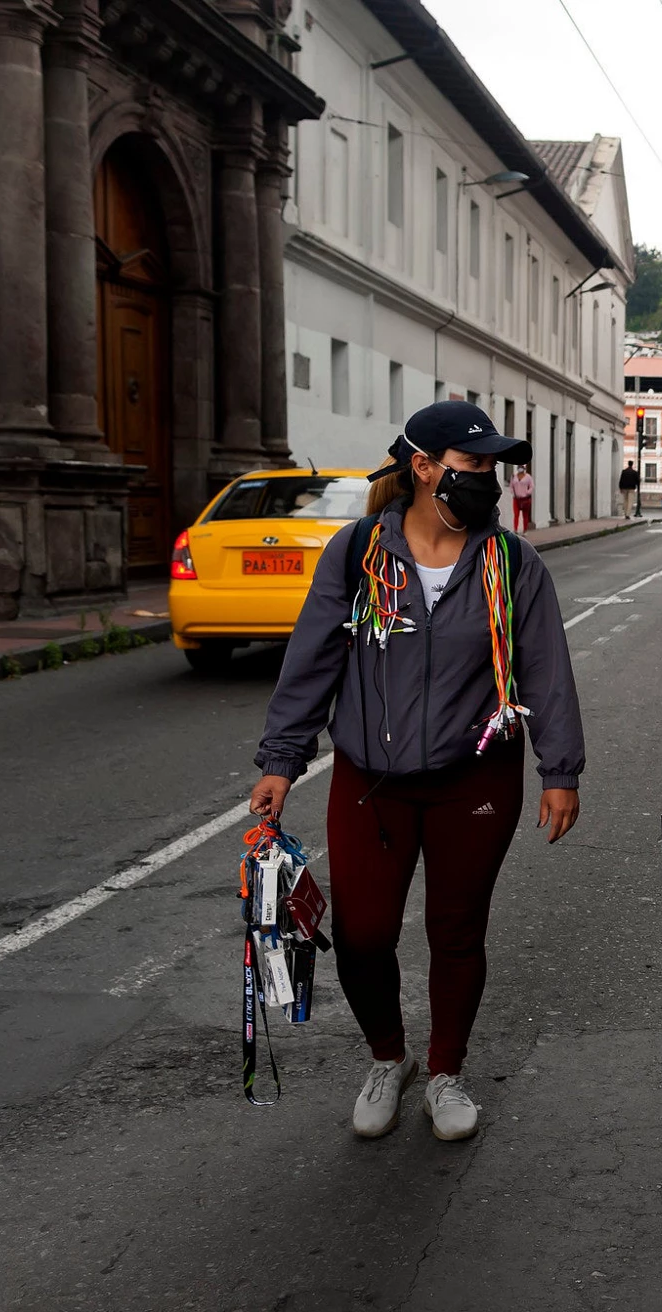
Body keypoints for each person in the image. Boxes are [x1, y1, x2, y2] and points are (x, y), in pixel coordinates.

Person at [250, 401, 584, 1142]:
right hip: (371, 781)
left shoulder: (511, 562)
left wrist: (561, 770)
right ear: (425, 468)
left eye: (493, 467)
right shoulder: (358, 552)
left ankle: (444, 1070)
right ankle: (388, 1058)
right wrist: (282, 759)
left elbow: (546, 672)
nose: (488, 480)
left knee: (456, 932)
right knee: (364, 937)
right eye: (473, 466)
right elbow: (313, 661)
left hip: (476, 780)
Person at [510, 464, 535, 532]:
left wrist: (527, 492)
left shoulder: (528, 477)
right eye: (519, 467)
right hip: (516, 498)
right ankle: (515, 529)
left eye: (522, 467)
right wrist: (513, 492)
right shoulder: (514, 477)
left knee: (525, 515)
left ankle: (525, 530)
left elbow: (532, 486)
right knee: (516, 514)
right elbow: (511, 486)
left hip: (525, 499)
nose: (520, 469)